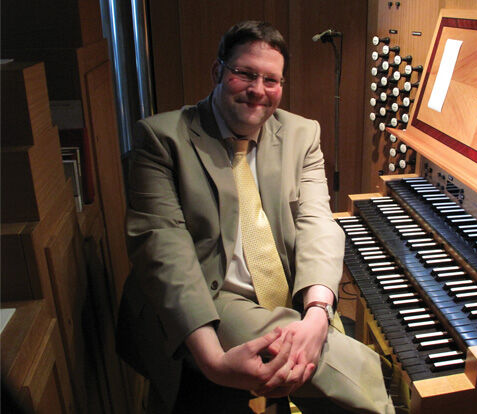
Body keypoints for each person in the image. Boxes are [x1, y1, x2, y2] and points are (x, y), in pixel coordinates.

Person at [116, 20, 394, 414]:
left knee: (312, 350)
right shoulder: (162, 139)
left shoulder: (301, 134)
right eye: (244, 73)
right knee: (323, 368)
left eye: (271, 80)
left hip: (280, 291)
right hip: (207, 296)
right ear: (218, 71)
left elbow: (317, 222)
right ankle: (387, 401)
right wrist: (213, 362)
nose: (258, 91)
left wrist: (317, 312)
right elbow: (165, 252)